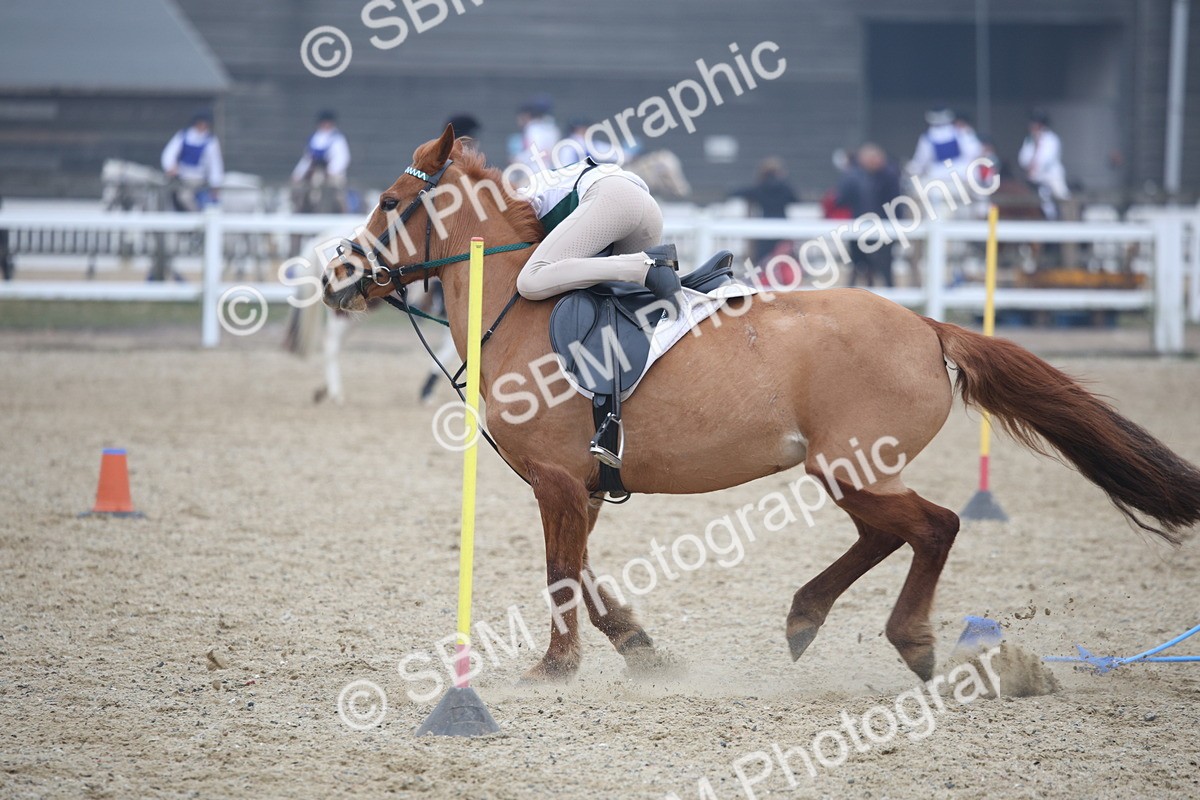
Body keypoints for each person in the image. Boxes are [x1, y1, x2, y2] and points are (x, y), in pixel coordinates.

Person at [514, 160, 680, 309]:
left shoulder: (519, 196)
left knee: (530, 280)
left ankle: (645, 265)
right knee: (620, 307)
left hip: (612, 195)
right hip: (647, 208)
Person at [836, 143, 902, 287]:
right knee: (858, 266)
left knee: (883, 267)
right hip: (860, 228)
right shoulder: (857, 176)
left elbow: (896, 205)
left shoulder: (889, 176)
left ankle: (889, 300)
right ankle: (854, 299)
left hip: (884, 229)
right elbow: (841, 199)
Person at [728, 158, 799, 264]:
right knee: (784, 260)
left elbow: (736, 192)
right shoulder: (785, 188)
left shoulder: (759, 188)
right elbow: (796, 199)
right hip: (783, 228)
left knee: (762, 263)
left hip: (764, 229)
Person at [161, 110, 223, 211]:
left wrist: (215, 183)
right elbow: (169, 153)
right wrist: (170, 166)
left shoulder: (210, 141)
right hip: (180, 177)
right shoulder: (183, 136)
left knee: (186, 197)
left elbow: (215, 163)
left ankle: (196, 216)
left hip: (198, 178)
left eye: (205, 124)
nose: (202, 126)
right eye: (200, 123)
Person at [291, 110, 351, 205]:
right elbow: (307, 158)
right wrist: (298, 173)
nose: (326, 125)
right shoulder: (314, 138)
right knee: (307, 187)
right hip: (316, 171)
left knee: (336, 191)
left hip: (332, 172)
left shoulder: (337, 139)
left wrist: (331, 171)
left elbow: (342, 158)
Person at [1018, 110, 1070, 220]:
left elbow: (1048, 158)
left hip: (1052, 176)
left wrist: (1036, 166)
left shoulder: (1051, 139)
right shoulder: (1029, 140)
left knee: (1062, 196)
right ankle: (1047, 219)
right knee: (1041, 200)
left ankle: (1069, 219)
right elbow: (1022, 159)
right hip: (1036, 178)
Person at [510, 94, 561, 174]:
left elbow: (535, 152)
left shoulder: (533, 128)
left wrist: (518, 159)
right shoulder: (554, 128)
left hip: (534, 171)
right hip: (551, 171)